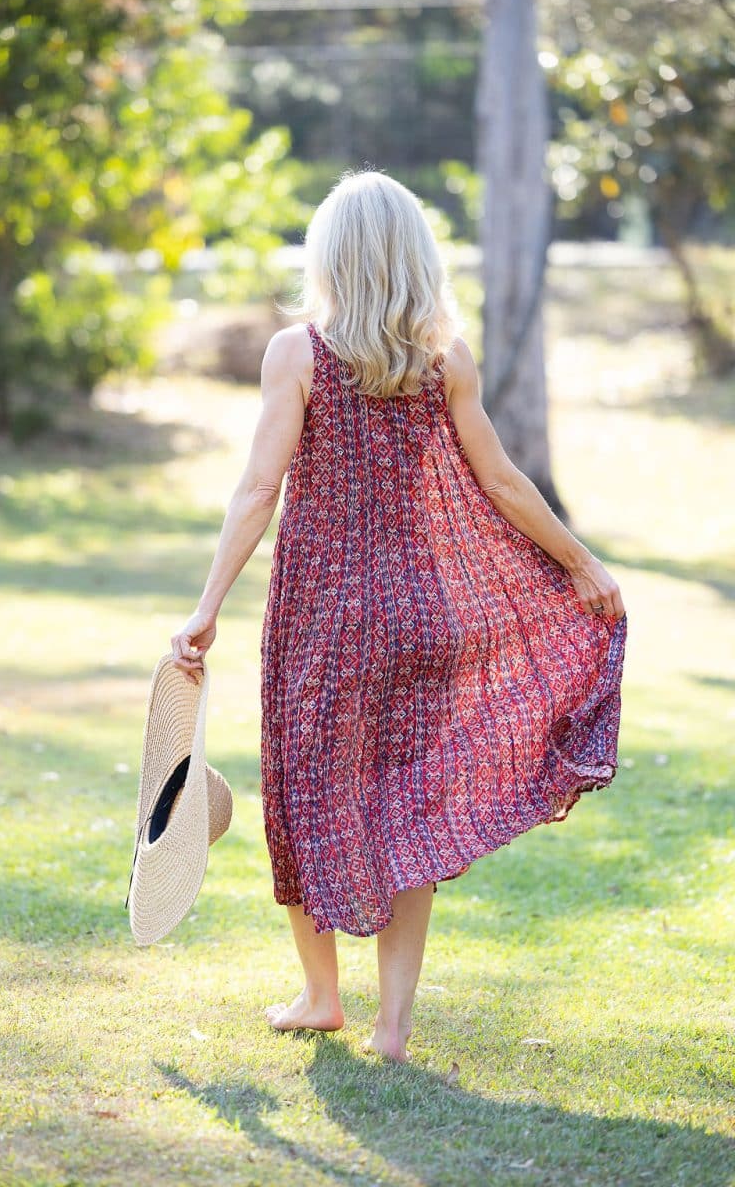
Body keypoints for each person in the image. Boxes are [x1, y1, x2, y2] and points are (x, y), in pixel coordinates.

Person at [170, 169, 627, 1064]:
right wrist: (582, 562)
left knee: (308, 795)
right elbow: (499, 479)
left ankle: (320, 995)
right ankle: (393, 1026)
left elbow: (260, 487)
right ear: (415, 254)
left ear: (330, 256)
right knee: (405, 812)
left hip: (324, 619)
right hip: (426, 617)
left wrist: (206, 608)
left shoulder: (298, 354)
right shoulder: (444, 357)